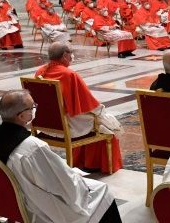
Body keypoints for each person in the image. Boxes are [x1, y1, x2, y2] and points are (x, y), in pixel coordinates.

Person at [0, 90, 128, 223]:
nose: (35, 110)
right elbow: (65, 186)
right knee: (102, 190)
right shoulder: (32, 148)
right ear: (21, 116)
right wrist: (76, 179)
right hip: (42, 212)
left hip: (15, 210)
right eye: (32, 107)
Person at [35, 42, 123, 171]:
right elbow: (90, 106)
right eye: (71, 53)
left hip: (47, 124)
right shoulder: (69, 75)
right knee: (106, 124)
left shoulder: (40, 71)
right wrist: (101, 111)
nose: (72, 56)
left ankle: (83, 161)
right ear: (65, 55)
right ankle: (98, 165)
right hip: (68, 126)